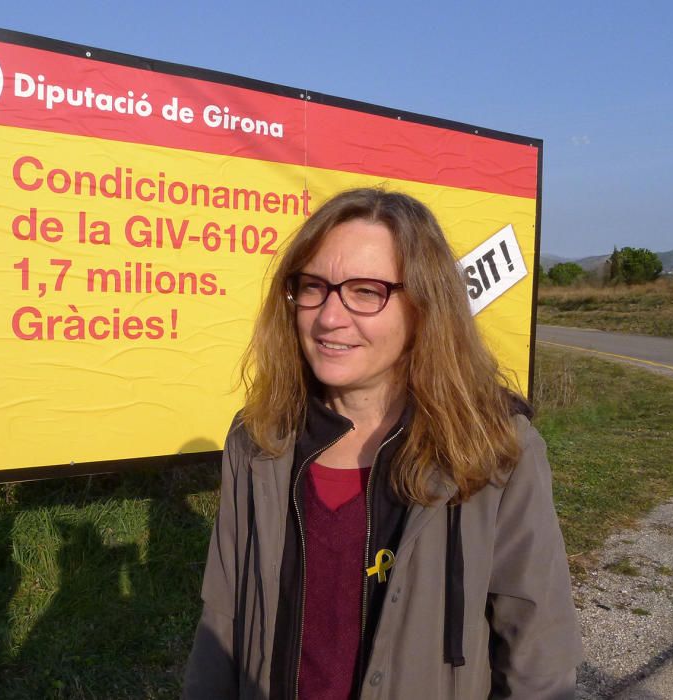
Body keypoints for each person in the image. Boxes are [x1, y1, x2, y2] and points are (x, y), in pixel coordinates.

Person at [183, 188, 582, 699]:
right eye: (313, 287)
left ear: (424, 306)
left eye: (366, 292)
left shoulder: (493, 448)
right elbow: (223, 619)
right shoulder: (259, 439)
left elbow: (537, 654)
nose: (329, 317)